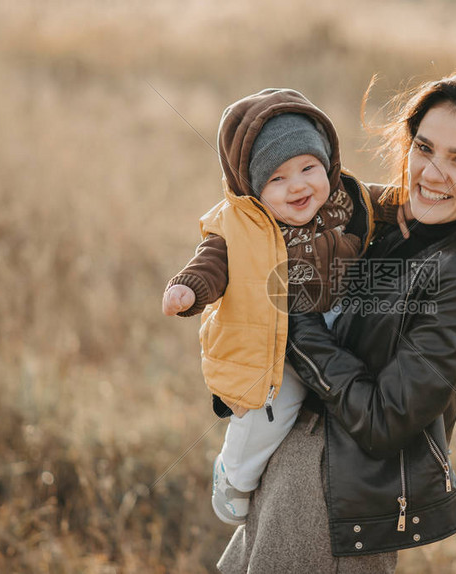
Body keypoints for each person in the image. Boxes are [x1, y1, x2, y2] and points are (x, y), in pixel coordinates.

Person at [217, 69, 456, 573]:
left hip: (330, 501)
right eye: (424, 149)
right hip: (293, 471)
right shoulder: (393, 223)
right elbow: (298, 206)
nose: (432, 173)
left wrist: (290, 317)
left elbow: (385, 421)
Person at [161, 88, 390, 526]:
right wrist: (188, 289)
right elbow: (210, 262)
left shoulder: (346, 198)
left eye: (308, 168)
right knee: (274, 409)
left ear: (328, 164)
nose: (299, 185)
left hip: (337, 321)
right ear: (253, 187)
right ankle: (234, 474)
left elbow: (385, 200)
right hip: (275, 339)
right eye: (278, 179)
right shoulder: (239, 225)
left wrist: (410, 204)